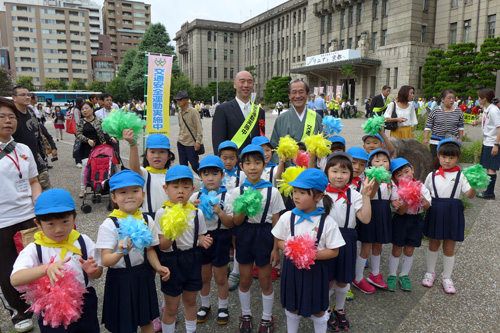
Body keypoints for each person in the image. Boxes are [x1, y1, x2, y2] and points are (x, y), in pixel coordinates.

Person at [11, 188, 103, 332]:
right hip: (51, 308)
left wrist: (94, 271)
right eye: (51, 224)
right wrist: (45, 269)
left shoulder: (83, 241)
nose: (59, 229)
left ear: (75, 217)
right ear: (38, 223)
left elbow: (98, 273)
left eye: (65, 221)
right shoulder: (34, 249)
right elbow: (15, 279)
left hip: (85, 301)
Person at [272, 168, 345, 333]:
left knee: (318, 308)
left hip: (316, 270)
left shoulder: (327, 222)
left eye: (303, 192)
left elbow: (334, 251)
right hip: (292, 269)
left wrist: (310, 254)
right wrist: (293, 249)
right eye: (295, 191)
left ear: (318, 197)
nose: (296, 196)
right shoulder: (287, 217)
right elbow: (279, 239)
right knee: (293, 305)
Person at [96, 170, 169, 332]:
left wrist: (157, 266)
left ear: (142, 194)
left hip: (143, 275)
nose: (130, 196)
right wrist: (120, 252)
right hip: (120, 279)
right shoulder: (109, 225)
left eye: (135, 191)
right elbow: (106, 260)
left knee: (147, 319)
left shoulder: (146, 219)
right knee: (124, 324)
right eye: (123, 192)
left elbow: (149, 249)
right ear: (113, 197)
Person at [227, 144, 285, 333]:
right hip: (245, 234)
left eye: (257, 163)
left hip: (265, 236)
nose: (253, 167)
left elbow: (276, 223)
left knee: (265, 281)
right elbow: (236, 221)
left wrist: (276, 248)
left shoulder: (273, 192)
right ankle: (246, 314)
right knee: (244, 280)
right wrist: (243, 207)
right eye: (248, 163)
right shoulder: (237, 192)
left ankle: (267, 318)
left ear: (264, 164)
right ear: (241, 166)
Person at [0, 97, 41, 333]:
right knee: (6, 270)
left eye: (12, 117)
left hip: (27, 216)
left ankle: (39, 300)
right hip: (2, 221)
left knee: (36, 263)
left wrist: (38, 206)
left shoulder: (23, 149)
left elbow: (34, 181)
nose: (8, 121)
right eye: (3, 117)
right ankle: (18, 312)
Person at [155, 165, 212, 333]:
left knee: (190, 301)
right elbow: (162, 245)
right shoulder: (162, 213)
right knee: (171, 307)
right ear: (166, 189)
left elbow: (200, 235)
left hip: (192, 259)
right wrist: (172, 230)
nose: (181, 191)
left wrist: (203, 241)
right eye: (175, 186)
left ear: (192, 189)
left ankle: (191, 330)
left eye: (186, 187)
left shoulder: (196, 213)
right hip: (171, 261)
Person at [323, 153, 373, 331]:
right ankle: (326, 310)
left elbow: (365, 219)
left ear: (351, 175)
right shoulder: (321, 193)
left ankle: (340, 308)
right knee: (328, 279)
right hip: (327, 240)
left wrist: (366, 196)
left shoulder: (354, 194)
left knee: (344, 279)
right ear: (326, 172)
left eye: (344, 172)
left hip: (347, 238)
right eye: (334, 171)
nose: (339, 176)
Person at [422, 139, 476, 294]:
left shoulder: (462, 176)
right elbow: (424, 194)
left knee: (449, 246)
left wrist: (475, 184)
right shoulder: (432, 175)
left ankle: (447, 277)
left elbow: (470, 195)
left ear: (457, 159)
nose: (447, 160)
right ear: (438, 156)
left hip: (453, 213)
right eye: (444, 157)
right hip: (435, 211)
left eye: (452, 158)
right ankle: (430, 272)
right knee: (433, 243)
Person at [189, 156, 234, 325]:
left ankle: (223, 306)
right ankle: (205, 304)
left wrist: (220, 212)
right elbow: (186, 221)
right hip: (201, 238)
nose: (210, 178)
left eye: (215, 174)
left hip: (220, 238)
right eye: (205, 174)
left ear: (222, 175)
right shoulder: (195, 196)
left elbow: (231, 224)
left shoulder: (227, 196)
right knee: (204, 276)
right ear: (200, 176)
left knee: (221, 277)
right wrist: (191, 209)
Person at [387, 158, 431, 292]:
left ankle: (404, 275)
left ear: (412, 169)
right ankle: (392, 275)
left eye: (406, 171)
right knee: (397, 249)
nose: (405, 176)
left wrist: (420, 198)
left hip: (415, 220)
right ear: (394, 178)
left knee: (409, 250)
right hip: (401, 220)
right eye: (399, 175)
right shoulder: (395, 190)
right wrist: (407, 198)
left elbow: (427, 206)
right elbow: (400, 211)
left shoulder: (421, 186)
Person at [353, 149, 392, 294]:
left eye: (385, 161)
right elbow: (370, 195)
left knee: (378, 247)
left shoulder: (390, 180)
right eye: (377, 161)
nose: (381, 163)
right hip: (369, 213)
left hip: (383, 215)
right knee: (366, 247)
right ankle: (358, 277)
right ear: (369, 165)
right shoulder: (366, 178)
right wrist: (376, 182)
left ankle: (375, 274)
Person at [270, 80, 324, 163]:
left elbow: (323, 149)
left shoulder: (317, 118)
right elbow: (274, 148)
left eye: (301, 92)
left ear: (307, 94)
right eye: (294, 92)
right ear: (289, 95)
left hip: (310, 170)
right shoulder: (281, 119)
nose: (297, 96)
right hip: (287, 171)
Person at [212, 71, 265, 154]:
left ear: (253, 85)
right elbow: (218, 142)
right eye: (242, 81)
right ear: (235, 85)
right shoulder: (222, 110)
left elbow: (261, 140)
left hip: (254, 162)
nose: (246, 85)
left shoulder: (259, 111)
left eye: (250, 82)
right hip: (233, 163)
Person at [124, 132, 175, 216]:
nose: (157, 156)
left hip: (169, 221)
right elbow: (134, 169)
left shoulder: (172, 176)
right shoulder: (145, 174)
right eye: (152, 152)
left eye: (162, 152)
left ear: (169, 155)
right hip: (149, 221)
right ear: (146, 155)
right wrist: (133, 145)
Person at [12, 86, 52, 191]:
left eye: (28, 95)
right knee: (26, 192)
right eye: (23, 95)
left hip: (36, 159)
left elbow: (38, 135)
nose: (27, 97)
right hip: (18, 161)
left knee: (46, 189)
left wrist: (43, 154)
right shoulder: (11, 116)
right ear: (14, 97)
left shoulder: (31, 112)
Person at [76, 101, 117, 198]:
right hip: (86, 148)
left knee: (98, 168)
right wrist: (87, 140)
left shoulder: (99, 120)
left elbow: (107, 131)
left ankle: (97, 187)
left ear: (92, 109)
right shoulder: (81, 122)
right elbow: (78, 135)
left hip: (99, 148)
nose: (84, 111)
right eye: (82, 109)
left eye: (86, 108)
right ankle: (83, 188)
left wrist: (112, 137)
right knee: (85, 166)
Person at [472, 88, 500, 199]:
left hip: (492, 142)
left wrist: (496, 145)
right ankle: (488, 191)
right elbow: (486, 120)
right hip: (487, 141)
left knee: (491, 168)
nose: (478, 99)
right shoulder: (487, 108)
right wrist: (477, 122)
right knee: (488, 167)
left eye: (479, 97)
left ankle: (490, 192)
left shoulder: (494, 110)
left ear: (485, 98)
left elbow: (499, 127)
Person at [423, 89, 464, 159]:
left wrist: (460, 139)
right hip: (436, 141)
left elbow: (461, 126)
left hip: (451, 142)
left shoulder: (458, 111)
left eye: (453, 98)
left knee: (449, 163)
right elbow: (428, 125)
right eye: (449, 98)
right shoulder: (435, 111)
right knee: (436, 161)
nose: (451, 100)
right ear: (443, 99)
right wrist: (425, 138)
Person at [176, 90, 204, 174]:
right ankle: (185, 183)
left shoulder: (193, 111)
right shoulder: (179, 113)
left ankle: (205, 179)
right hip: (181, 142)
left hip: (191, 143)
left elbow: (199, 128)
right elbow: (181, 127)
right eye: (177, 100)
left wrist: (198, 141)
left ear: (187, 100)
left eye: (180, 99)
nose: (178, 101)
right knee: (183, 165)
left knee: (195, 165)